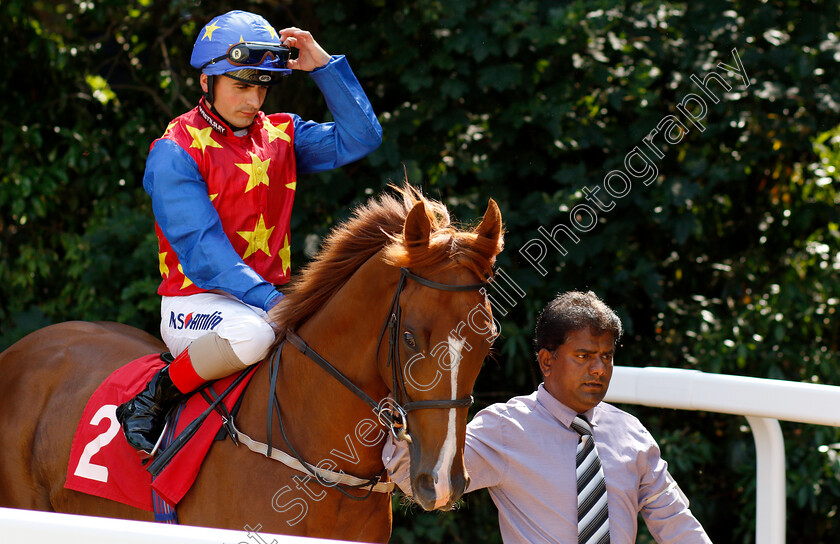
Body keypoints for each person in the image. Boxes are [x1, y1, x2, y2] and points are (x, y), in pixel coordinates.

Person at [116, 10, 383, 455]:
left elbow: (362, 138)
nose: (253, 99)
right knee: (255, 336)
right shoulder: (174, 151)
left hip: (269, 300)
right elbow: (204, 254)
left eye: (261, 86)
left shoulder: (281, 134)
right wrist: (276, 304)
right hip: (196, 302)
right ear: (206, 82)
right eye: (241, 85)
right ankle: (155, 394)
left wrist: (323, 66)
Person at [383, 291, 712, 543]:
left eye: (606, 357)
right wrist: (392, 422)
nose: (598, 369)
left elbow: (676, 523)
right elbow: (431, 486)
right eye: (583, 356)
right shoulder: (505, 427)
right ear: (546, 361)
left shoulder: (630, 432)